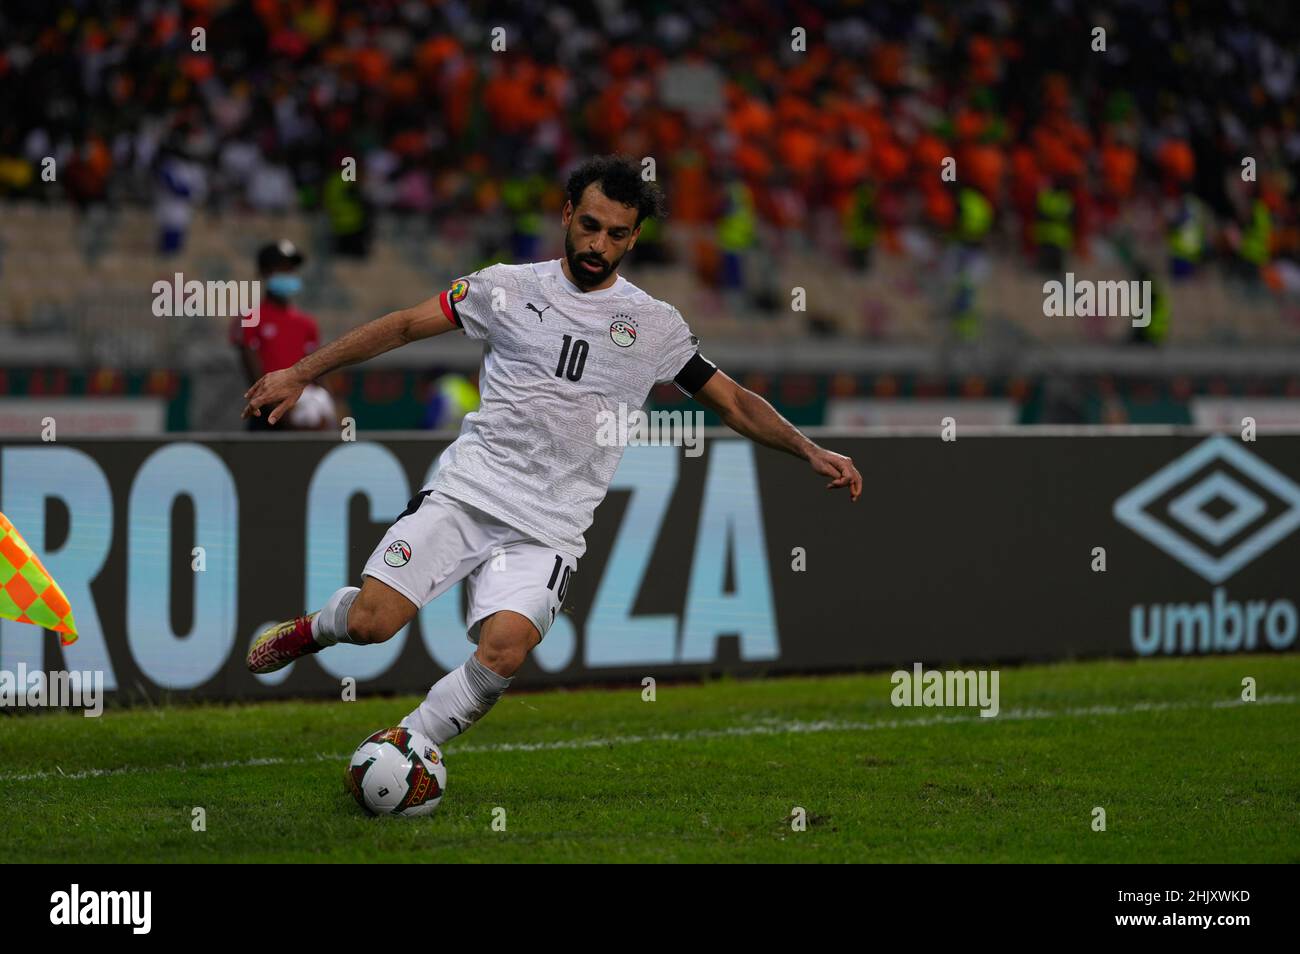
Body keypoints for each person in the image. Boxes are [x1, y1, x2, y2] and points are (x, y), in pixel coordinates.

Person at [240, 155, 861, 749]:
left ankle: (409, 745)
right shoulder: (504, 288)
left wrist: (807, 449)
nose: (598, 244)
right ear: (566, 215)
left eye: (616, 234)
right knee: (372, 624)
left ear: (633, 238)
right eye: (589, 226)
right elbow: (404, 325)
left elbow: (732, 402)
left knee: (504, 650)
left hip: (549, 527)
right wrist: (299, 373)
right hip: (467, 493)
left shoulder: (655, 324)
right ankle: (316, 628)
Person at [232, 240, 335, 431]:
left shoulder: (306, 323)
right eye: (281, 269)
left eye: (291, 270)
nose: (288, 275)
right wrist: (280, 413)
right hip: (267, 415)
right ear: (264, 272)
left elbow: (317, 371)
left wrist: (331, 410)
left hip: (303, 414)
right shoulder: (250, 317)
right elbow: (253, 370)